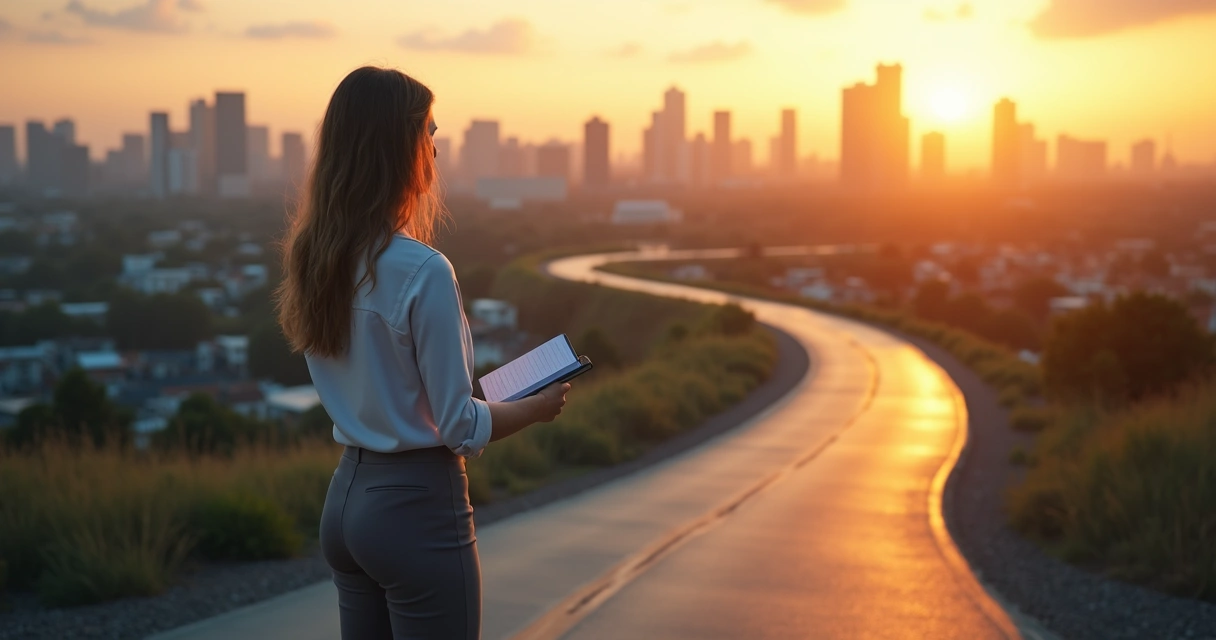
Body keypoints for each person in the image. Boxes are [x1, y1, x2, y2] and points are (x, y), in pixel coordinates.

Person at [275, 66, 569, 640]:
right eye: (429, 132)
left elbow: (404, 392)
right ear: (400, 148)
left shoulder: (316, 259)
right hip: (415, 507)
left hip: (346, 503)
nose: (437, 147)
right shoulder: (423, 270)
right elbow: (458, 425)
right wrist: (534, 407)